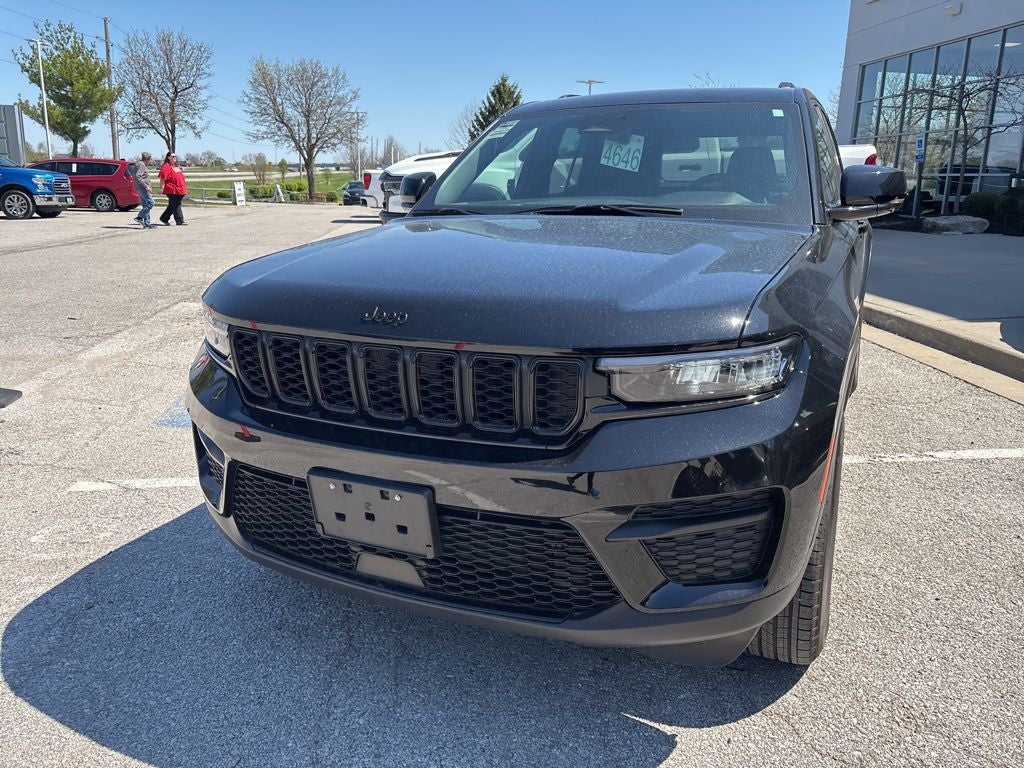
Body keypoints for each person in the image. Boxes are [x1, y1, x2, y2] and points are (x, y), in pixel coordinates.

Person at [158, 151, 187, 226]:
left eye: (175, 156)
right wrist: (161, 188)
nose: (174, 158)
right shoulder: (166, 166)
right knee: (176, 205)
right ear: (168, 157)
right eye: (172, 156)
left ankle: (164, 218)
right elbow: (162, 178)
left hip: (180, 189)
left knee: (172, 205)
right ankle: (179, 220)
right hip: (172, 190)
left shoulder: (175, 166)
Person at [130, 152, 156, 229]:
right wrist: (146, 186)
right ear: (148, 159)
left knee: (145, 205)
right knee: (151, 203)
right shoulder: (141, 165)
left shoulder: (139, 164)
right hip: (143, 188)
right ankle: (139, 217)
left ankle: (147, 224)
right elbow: (138, 176)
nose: (151, 160)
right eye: (150, 159)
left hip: (139, 188)